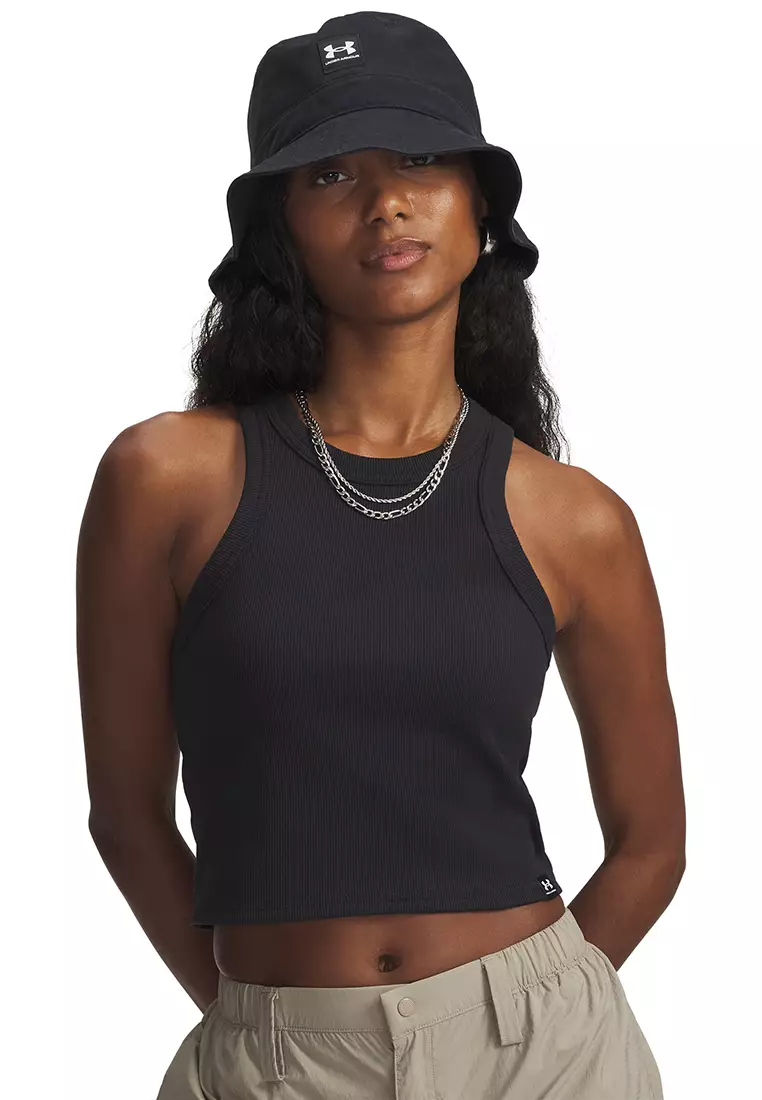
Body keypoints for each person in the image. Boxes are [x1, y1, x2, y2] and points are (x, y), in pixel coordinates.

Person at [77, 11, 684, 1099]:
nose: (385, 202)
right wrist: (265, 1025)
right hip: (278, 1058)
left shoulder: (576, 518)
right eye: (330, 176)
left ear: (479, 203)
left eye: (417, 161)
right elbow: (126, 816)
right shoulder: (166, 478)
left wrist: (531, 1014)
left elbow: (652, 842)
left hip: (545, 1055)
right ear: (280, 228)